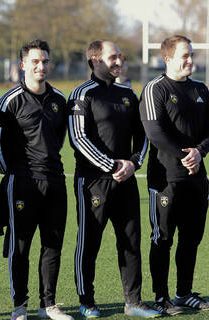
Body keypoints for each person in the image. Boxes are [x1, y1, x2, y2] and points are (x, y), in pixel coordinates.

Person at [67, 39, 160, 319]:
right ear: (95, 60)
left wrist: (133, 163)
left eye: (121, 56)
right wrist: (111, 165)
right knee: (89, 241)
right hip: (93, 181)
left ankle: (133, 302)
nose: (119, 61)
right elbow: (78, 138)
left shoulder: (127, 93)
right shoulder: (81, 94)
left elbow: (142, 135)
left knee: (131, 241)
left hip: (126, 180)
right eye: (113, 57)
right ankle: (87, 300)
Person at [0, 39, 73, 320]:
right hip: (23, 183)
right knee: (21, 246)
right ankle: (19, 307)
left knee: (53, 246)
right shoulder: (9, 100)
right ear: (23, 65)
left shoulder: (59, 100)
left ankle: (48, 305)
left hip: (55, 182)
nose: (41, 66)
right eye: (36, 61)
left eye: (46, 61)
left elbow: (59, 139)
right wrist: (13, 172)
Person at [139, 35, 209, 316]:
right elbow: (155, 134)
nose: (190, 59)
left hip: (197, 178)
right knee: (163, 239)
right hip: (165, 179)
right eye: (184, 55)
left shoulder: (201, 89)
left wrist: (199, 152)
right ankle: (161, 297)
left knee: (192, 238)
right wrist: (185, 156)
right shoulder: (155, 88)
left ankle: (183, 293)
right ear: (167, 59)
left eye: (191, 54)